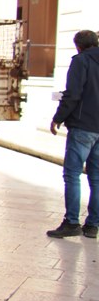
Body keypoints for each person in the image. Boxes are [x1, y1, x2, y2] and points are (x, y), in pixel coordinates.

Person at [47, 29, 99, 239]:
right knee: (96, 178)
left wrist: (58, 118)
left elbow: (73, 94)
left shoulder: (80, 61)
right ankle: (93, 225)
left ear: (78, 45)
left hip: (83, 125)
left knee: (72, 175)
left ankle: (72, 222)